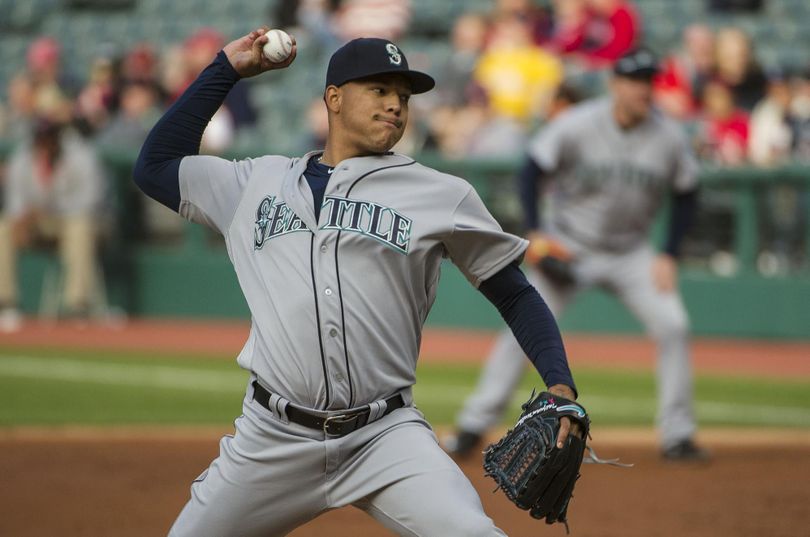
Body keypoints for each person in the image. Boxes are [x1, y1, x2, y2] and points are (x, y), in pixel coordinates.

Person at [133, 28, 582, 536]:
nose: (395, 105)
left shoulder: (440, 193)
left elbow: (516, 294)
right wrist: (225, 71)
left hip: (385, 438)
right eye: (380, 90)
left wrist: (559, 382)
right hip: (271, 440)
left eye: (404, 97)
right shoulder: (252, 183)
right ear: (334, 98)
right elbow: (155, 167)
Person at [444, 48, 707, 462]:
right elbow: (531, 168)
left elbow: (688, 192)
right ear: (615, 84)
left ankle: (678, 435)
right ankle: (472, 425)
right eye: (636, 80)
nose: (644, 89)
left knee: (673, 324)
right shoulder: (578, 124)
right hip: (572, 246)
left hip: (631, 253)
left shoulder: (669, 136)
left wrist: (670, 253)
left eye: (649, 81)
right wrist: (537, 232)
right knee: (524, 326)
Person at [0, 119, 106, 331]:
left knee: (79, 227)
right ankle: (7, 303)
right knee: (4, 227)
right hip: (37, 223)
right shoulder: (24, 154)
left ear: (58, 139)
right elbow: (15, 199)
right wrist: (22, 215)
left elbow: (91, 199)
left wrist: (51, 208)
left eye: (49, 139)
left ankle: (77, 304)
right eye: (41, 139)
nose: (45, 144)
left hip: (76, 221)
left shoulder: (80, 154)